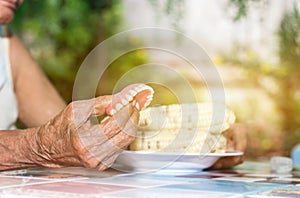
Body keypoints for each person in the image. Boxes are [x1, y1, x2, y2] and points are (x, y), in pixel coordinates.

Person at [0, 0, 247, 171]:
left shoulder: (7, 42)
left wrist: (200, 145)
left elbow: (64, 133)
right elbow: (45, 143)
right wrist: (35, 147)